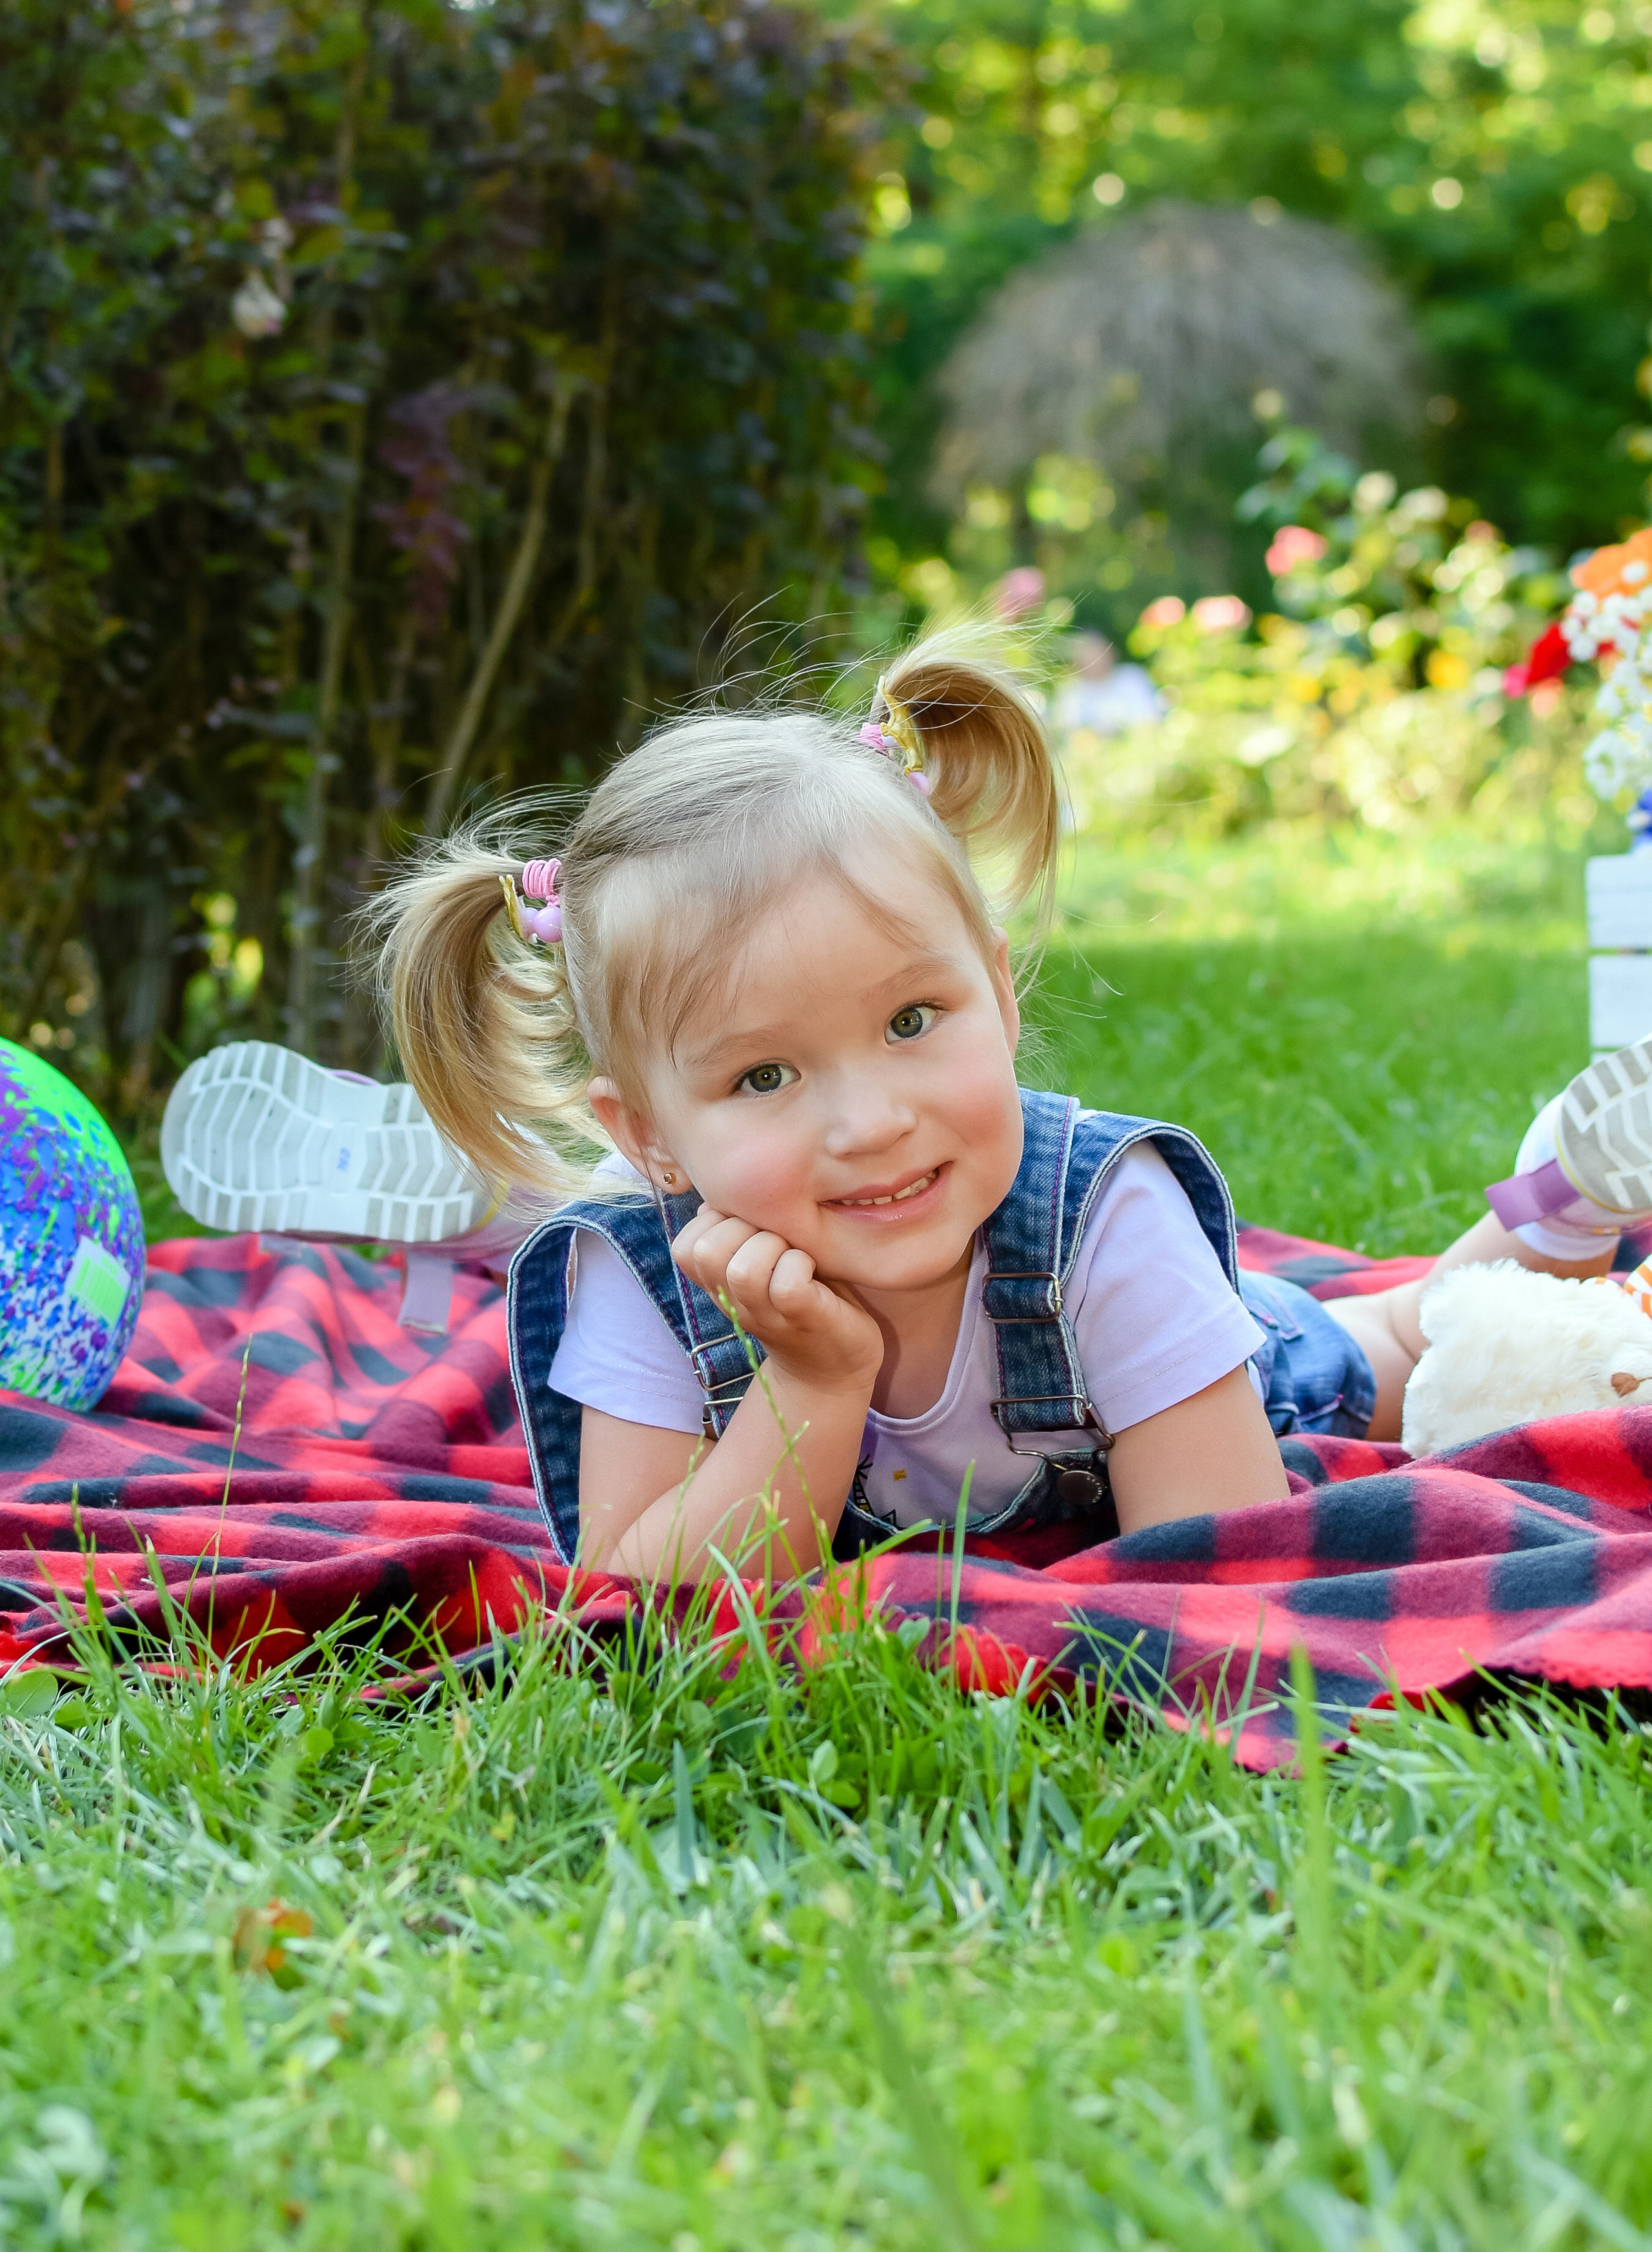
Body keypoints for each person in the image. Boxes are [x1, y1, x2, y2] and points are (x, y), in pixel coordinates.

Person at [157, 625, 1652, 1584]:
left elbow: (1218, 1558)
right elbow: (648, 1598)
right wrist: (807, 1386)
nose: (866, 1118)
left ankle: (1547, 1212)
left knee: (1403, 1348)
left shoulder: (1097, 1217)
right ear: (649, 1134)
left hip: (1209, 1384)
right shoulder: (641, 1275)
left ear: (999, 996)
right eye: (763, 1073)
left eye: (911, 1020)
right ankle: (1536, 1221)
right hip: (958, 1398)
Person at [1051, 631, 1164, 737]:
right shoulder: (1072, 691)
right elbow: (1066, 732)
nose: (1094, 661)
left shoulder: (1132, 678)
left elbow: (1151, 719)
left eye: (1098, 653)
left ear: (1111, 653)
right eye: (1088, 655)